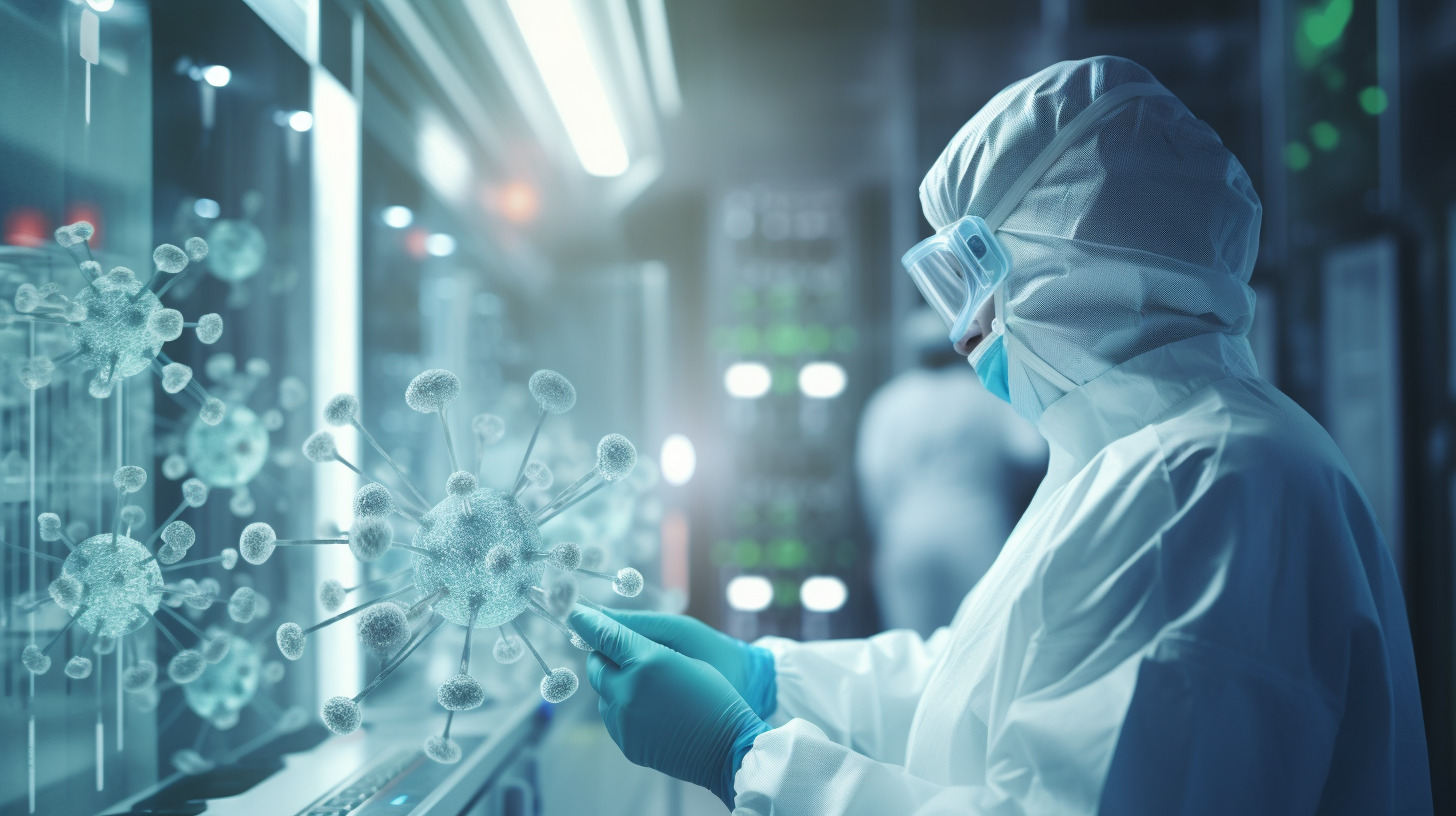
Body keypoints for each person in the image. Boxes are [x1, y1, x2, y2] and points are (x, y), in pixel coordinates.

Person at [569, 56, 1433, 814]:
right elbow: (981, 689)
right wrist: (768, 679)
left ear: (1078, 262)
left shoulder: (1198, 482)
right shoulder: (1142, 457)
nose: (962, 332)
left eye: (972, 275)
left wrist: (747, 757)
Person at [856, 308, 1045, 637]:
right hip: (974, 530)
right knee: (979, 638)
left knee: (910, 644)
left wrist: (880, 538)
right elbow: (1032, 451)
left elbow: (873, 479)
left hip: (905, 534)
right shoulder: (986, 392)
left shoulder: (889, 401)